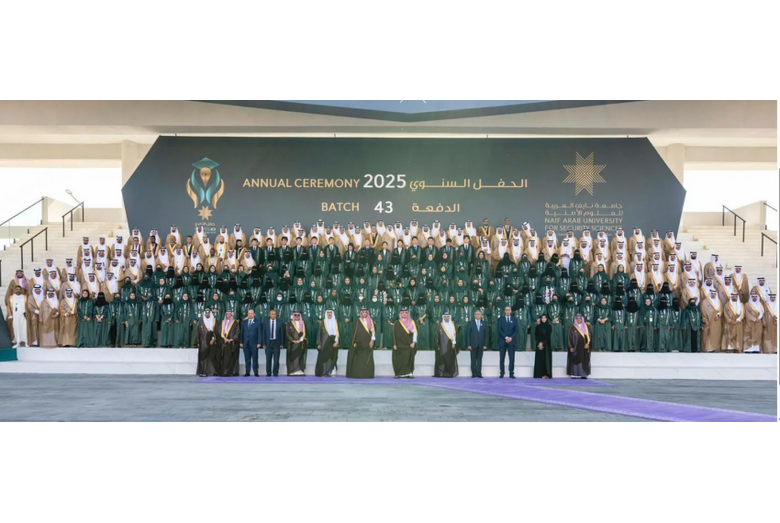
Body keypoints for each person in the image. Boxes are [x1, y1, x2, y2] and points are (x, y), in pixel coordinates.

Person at [392, 308, 417, 378]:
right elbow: (394, 334)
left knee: (409, 359)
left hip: (409, 344)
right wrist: (394, 344)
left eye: (406, 313)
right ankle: (399, 373)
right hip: (399, 345)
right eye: (402, 313)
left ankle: (409, 373)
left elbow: (415, 333)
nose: (404, 314)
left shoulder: (411, 322)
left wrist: (414, 342)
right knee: (399, 360)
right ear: (400, 314)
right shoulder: (397, 323)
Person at [315, 309, 339, 377]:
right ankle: (324, 371)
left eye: (330, 312)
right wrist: (319, 343)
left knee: (332, 357)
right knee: (324, 357)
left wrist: (337, 342)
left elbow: (338, 333)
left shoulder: (335, 322)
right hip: (324, 342)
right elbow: (319, 333)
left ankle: (331, 371)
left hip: (333, 342)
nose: (329, 314)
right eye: (328, 312)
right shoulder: (323, 322)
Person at [433, 312, 459, 378]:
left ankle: (449, 373)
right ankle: (441, 373)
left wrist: (453, 343)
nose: (446, 318)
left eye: (447, 317)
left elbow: (454, 335)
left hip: (450, 345)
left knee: (449, 359)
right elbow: (437, 336)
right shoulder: (440, 325)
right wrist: (438, 345)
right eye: (445, 317)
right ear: (443, 317)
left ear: (449, 317)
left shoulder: (453, 325)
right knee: (441, 359)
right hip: (442, 345)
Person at [567, 313, 591, 379]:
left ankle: (583, 374)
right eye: (577, 318)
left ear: (582, 319)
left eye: (580, 318)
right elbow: (569, 338)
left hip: (584, 347)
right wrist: (570, 347)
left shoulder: (586, 326)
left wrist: (587, 344)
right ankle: (574, 374)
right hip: (575, 347)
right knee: (574, 360)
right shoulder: (572, 327)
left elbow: (589, 336)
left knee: (583, 360)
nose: (578, 320)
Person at [497, 305, 518, 378]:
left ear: (511, 311)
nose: (507, 311)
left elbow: (516, 330)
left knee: (511, 358)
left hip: (512, 341)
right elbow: (499, 329)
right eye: (506, 310)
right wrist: (506, 337)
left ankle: (511, 373)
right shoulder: (501, 319)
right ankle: (502, 373)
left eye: (509, 310)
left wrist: (511, 338)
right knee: (502, 358)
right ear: (504, 311)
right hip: (502, 341)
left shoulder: (514, 319)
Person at [466, 309, 488, 378]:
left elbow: (486, 335)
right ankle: (473, 373)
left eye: (479, 314)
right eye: (476, 314)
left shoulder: (484, 323)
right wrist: (468, 344)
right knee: (473, 359)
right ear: (474, 315)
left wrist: (485, 344)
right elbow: (468, 335)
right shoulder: (470, 323)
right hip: (473, 344)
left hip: (481, 345)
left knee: (479, 360)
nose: (478, 315)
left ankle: (479, 373)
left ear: (481, 315)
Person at [218, 310, 240, 376]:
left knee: (231, 358)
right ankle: (224, 371)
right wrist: (224, 338)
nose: (228, 315)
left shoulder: (235, 322)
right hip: (223, 342)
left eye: (229, 314)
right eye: (227, 314)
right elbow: (219, 331)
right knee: (224, 358)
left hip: (232, 343)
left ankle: (230, 371)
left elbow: (237, 332)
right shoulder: (222, 322)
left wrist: (231, 339)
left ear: (231, 315)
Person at [262, 309, 284, 377]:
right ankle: (268, 373)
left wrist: (281, 344)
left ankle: (275, 372)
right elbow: (263, 333)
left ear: (276, 315)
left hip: (276, 343)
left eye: (274, 314)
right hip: (268, 343)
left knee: (276, 359)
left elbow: (282, 334)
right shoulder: (266, 322)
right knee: (268, 359)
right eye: (272, 314)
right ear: (269, 315)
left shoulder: (280, 322)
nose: (273, 315)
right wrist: (264, 344)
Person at [285, 311, 308, 376]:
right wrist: (293, 340)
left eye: (298, 315)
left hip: (301, 344)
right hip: (292, 344)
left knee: (300, 357)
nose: (297, 317)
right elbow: (287, 334)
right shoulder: (289, 324)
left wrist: (300, 340)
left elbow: (305, 333)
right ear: (293, 316)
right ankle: (292, 371)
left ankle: (299, 370)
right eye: (295, 315)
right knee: (293, 357)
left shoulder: (303, 323)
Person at [196, 308, 217, 377]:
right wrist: (198, 342)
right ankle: (202, 371)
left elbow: (216, 331)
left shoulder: (214, 321)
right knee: (203, 357)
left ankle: (211, 372)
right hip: (203, 342)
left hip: (212, 342)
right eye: (206, 313)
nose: (207, 314)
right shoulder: (201, 322)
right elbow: (198, 333)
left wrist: (213, 339)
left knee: (212, 356)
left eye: (208, 313)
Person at [241, 309, 262, 376]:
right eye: (249, 313)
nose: (250, 314)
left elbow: (259, 333)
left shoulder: (258, 322)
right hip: (246, 343)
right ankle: (247, 372)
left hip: (254, 344)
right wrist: (241, 342)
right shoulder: (244, 322)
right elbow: (242, 333)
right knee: (247, 358)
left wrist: (259, 342)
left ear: (254, 314)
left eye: (251, 313)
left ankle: (256, 372)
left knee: (255, 358)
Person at [534, 313, 553, 378]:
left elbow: (548, 336)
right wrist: (539, 343)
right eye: (542, 318)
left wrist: (542, 343)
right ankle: (539, 374)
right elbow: (536, 336)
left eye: (545, 318)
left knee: (546, 359)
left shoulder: (549, 327)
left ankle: (546, 374)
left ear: (546, 319)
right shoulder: (537, 327)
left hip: (546, 345)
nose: (543, 319)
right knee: (539, 360)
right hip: (539, 346)